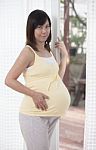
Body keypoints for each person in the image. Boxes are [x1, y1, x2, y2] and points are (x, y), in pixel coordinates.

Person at [5, 9, 71, 150]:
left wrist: (65, 56)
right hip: (34, 115)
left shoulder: (48, 50)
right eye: (39, 27)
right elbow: (9, 80)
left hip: (50, 115)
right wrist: (33, 94)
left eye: (47, 26)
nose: (44, 31)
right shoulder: (28, 52)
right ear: (31, 29)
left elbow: (57, 78)